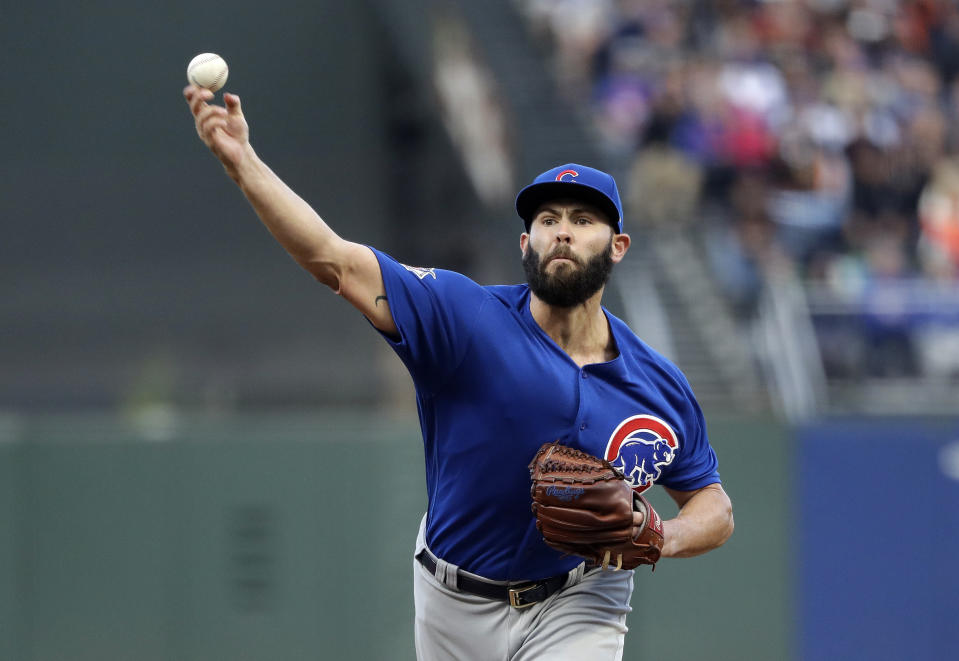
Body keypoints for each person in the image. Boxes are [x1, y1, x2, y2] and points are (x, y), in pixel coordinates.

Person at [184, 84, 734, 661]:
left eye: (583, 218)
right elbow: (333, 259)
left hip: (582, 599)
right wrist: (244, 163)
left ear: (618, 245)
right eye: (548, 218)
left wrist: (660, 537)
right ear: (527, 242)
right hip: (455, 601)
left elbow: (713, 506)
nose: (563, 230)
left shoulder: (657, 383)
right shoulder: (463, 316)